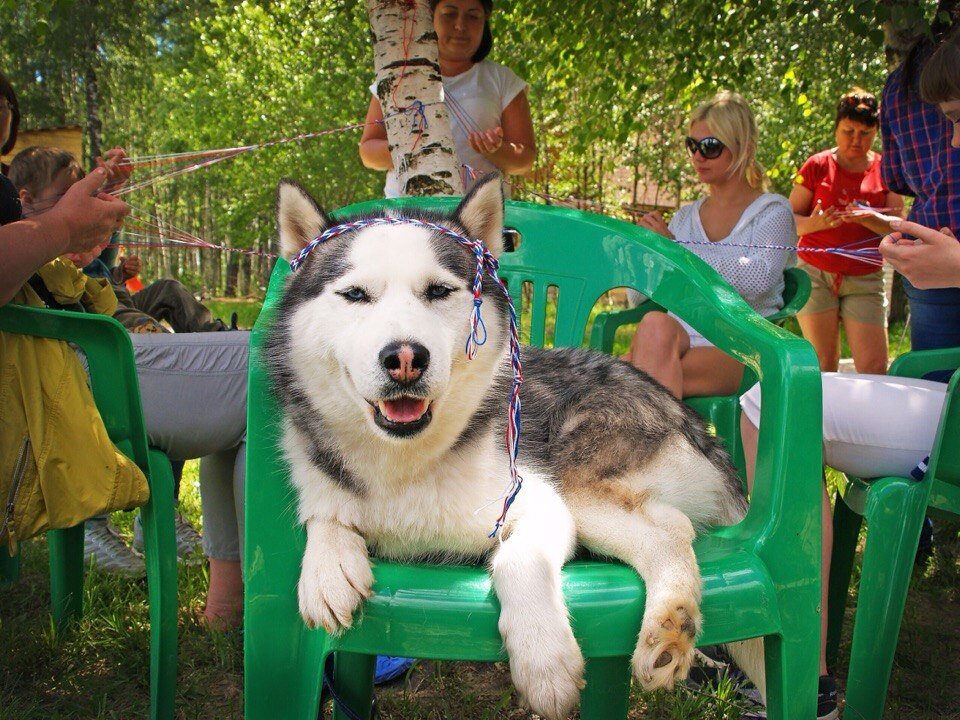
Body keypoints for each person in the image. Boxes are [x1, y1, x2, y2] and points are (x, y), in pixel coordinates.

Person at [740, 28, 960, 720]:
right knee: (780, 388)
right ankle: (797, 659)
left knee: (770, 402)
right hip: (933, 382)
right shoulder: (817, 166)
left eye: (957, 121)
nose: (949, 146)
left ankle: (797, 667)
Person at [625, 90, 796, 399]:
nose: (698, 156)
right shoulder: (685, 218)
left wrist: (676, 251)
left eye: (710, 147)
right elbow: (637, 298)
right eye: (692, 145)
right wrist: (646, 252)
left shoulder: (773, 213)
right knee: (653, 324)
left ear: (743, 148)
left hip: (742, 347)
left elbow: (758, 278)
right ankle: (669, 445)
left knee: (619, 384)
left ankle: (661, 443)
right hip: (678, 341)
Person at [10, 145, 235, 334]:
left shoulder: (70, 230)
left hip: (119, 297)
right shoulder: (31, 245)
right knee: (145, 328)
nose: (75, 204)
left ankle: (221, 339)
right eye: (63, 196)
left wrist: (119, 273)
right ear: (27, 200)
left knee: (170, 289)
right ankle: (183, 361)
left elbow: (100, 267)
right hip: (99, 311)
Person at [358, 0, 535, 197]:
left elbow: (524, 160)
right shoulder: (397, 77)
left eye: (473, 16)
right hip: (410, 215)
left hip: (480, 219)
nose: (460, 25)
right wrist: (408, 146)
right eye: (449, 14)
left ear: (485, 22)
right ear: (429, 18)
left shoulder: (504, 80)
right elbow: (368, 153)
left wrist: (495, 150)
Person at [790, 88, 903, 375]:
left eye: (864, 133)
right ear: (836, 128)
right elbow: (788, 220)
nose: (855, 140)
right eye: (848, 131)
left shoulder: (885, 168)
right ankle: (824, 420)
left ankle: (869, 420)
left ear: (876, 132)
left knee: (874, 367)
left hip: (865, 276)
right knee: (823, 365)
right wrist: (813, 225)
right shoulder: (817, 165)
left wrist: (869, 218)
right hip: (816, 272)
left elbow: (899, 229)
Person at [881, 9, 960, 354]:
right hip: (932, 257)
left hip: (931, 245)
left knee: (938, 385)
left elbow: (895, 177)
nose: (954, 144)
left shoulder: (897, 86)